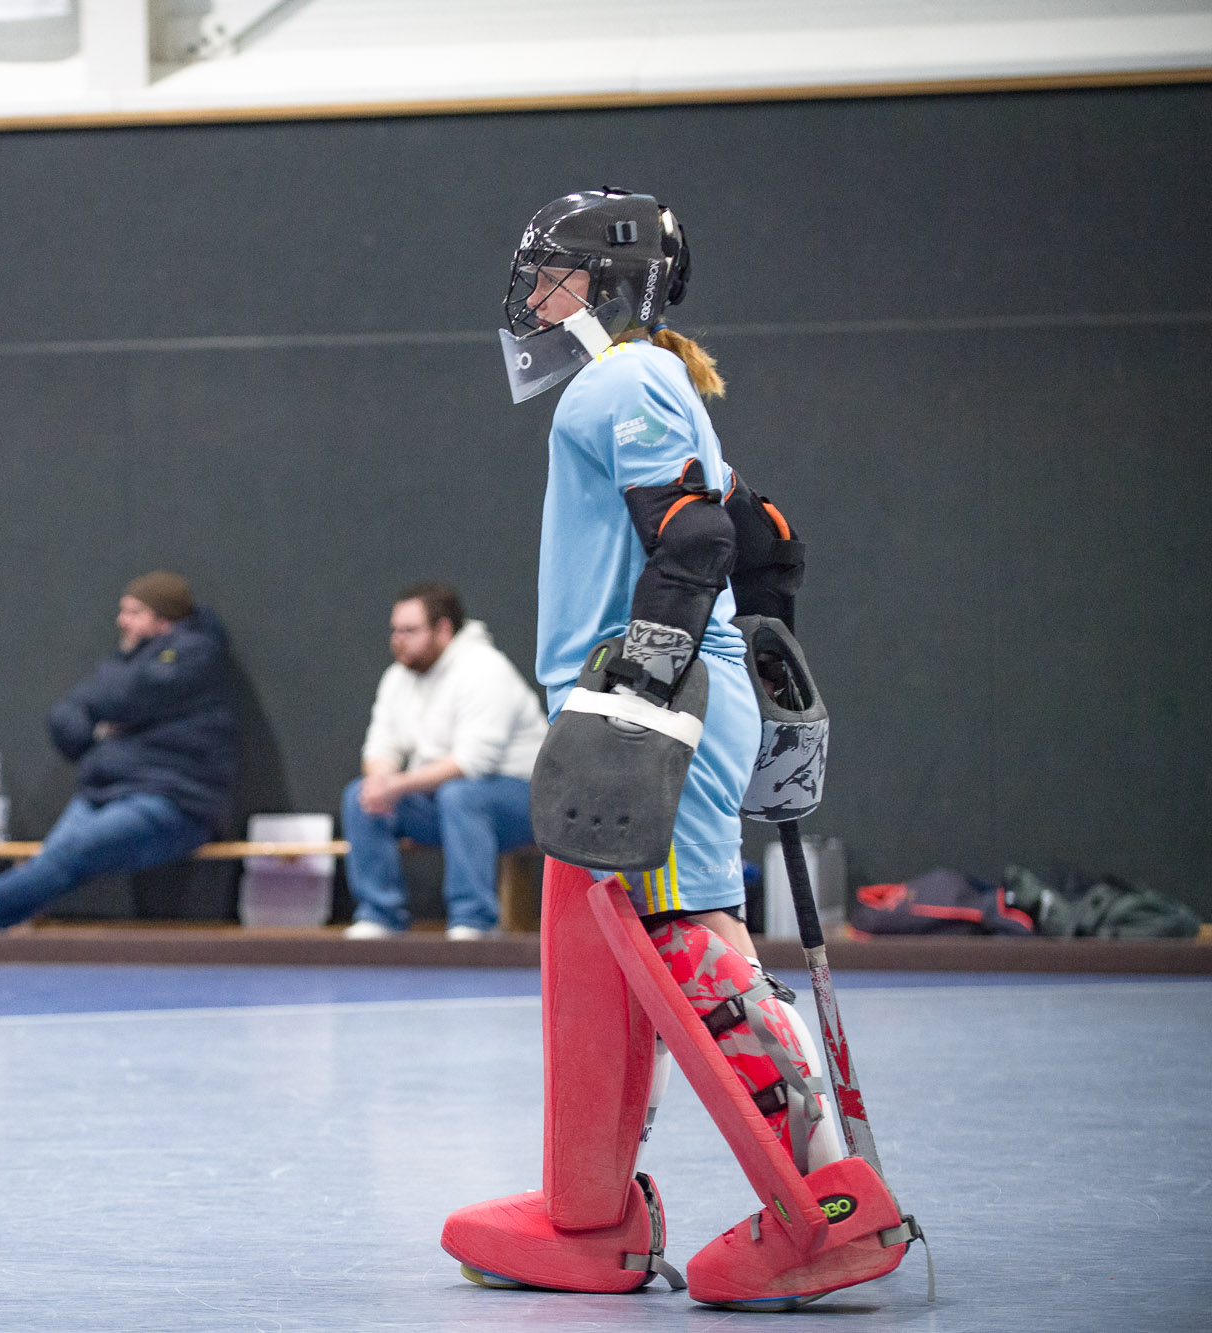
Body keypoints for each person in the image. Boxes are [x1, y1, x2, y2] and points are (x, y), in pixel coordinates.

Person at [442, 190, 913, 1309]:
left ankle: (828, 1208)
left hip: (641, 704)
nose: (532, 297)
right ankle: (589, 1218)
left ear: (604, 283)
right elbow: (761, 536)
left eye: (549, 274)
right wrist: (761, 664)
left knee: (684, 943)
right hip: (637, 697)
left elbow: (696, 537)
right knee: (596, 960)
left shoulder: (626, 379)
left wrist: (649, 687)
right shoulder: (651, 385)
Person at [0, 572, 236, 931]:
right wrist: (105, 716)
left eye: (134, 612)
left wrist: (103, 710)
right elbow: (67, 716)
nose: (122, 621)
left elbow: (125, 693)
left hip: (173, 804)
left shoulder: (195, 654)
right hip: (104, 792)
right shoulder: (126, 663)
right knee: (56, 856)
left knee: (72, 852)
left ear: (164, 621)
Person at [342, 582, 545, 940]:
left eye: (409, 631)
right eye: (395, 630)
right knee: (361, 795)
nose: (398, 640)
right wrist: (381, 782)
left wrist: (398, 784)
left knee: (461, 794)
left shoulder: (485, 669)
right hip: (445, 799)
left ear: (443, 630)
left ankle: (474, 921)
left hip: (525, 803)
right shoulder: (397, 678)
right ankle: (379, 915)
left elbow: (473, 763)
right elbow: (381, 748)